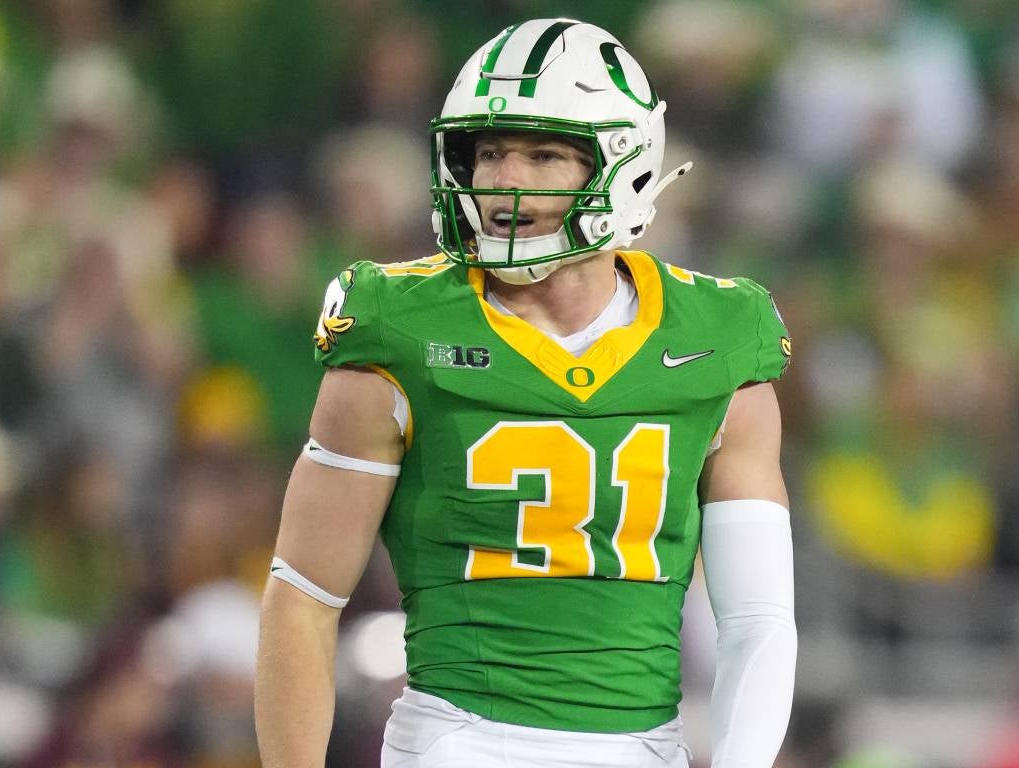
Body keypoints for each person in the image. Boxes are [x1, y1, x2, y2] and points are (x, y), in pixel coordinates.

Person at [255, 18, 797, 768]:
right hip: (459, 742)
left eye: (543, 154)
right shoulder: (399, 328)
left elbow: (758, 621)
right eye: (489, 152)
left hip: (645, 748)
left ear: (628, 163)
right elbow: (304, 598)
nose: (504, 180)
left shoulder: (718, 337)